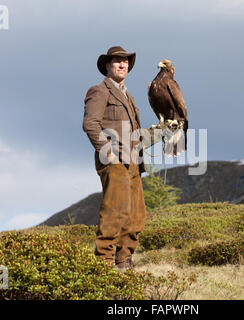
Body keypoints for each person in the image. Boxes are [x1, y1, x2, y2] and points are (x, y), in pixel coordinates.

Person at [82, 46, 165, 271]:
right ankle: (103, 264)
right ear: (107, 66)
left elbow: (137, 137)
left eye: (125, 61)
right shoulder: (99, 91)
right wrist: (105, 150)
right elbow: (90, 124)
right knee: (114, 211)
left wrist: (164, 132)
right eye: (117, 61)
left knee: (137, 216)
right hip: (114, 160)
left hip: (134, 163)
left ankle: (123, 261)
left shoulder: (128, 97)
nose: (122, 64)